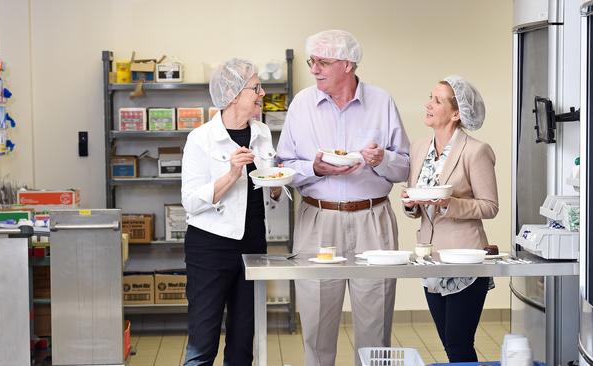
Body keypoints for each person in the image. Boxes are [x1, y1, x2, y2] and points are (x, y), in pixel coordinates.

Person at [277, 29, 410, 366]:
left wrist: (382, 159)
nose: (315, 69)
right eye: (312, 62)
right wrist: (316, 168)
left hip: (373, 220)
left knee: (375, 326)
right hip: (319, 220)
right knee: (317, 327)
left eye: (324, 62)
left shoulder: (382, 102)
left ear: (348, 64)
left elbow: (405, 167)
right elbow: (284, 166)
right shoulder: (302, 105)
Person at [181, 58, 281, 366]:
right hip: (210, 247)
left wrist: (277, 185)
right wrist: (231, 174)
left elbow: (267, 180)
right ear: (234, 94)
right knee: (203, 338)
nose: (261, 93)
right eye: (256, 87)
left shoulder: (262, 132)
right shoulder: (200, 138)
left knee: (242, 341)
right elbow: (191, 202)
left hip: (252, 245)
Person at [402, 75, 498, 362]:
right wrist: (409, 203)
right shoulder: (419, 148)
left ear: (457, 114)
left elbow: (490, 206)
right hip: (431, 260)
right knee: (448, 341)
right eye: (430, 97)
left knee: (458, 343)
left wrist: (449, 203)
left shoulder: (475, 150)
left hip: (465, 261)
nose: (428, 104)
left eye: (437, 100)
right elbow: (416, 204)